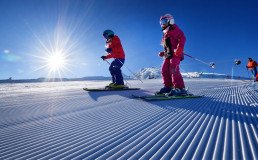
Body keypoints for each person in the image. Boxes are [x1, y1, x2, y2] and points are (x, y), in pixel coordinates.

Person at [157, 14, 187, 96]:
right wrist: (163, 53)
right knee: (164, 69)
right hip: (168, 54)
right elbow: (167, 47)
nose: (162, 24)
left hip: (176, 53)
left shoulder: (174, 29)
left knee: (173, 68)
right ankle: (168, 86)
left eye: (164, 21)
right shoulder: (165, 34)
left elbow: (182, 38)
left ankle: (180, 88)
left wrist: (180, 48)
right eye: (161, 22)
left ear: (170, 21)